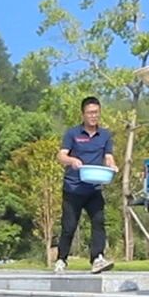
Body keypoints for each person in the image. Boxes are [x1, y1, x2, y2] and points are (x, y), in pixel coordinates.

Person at [56, 97, 118, 275]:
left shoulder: (105, 135)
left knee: (98, 222)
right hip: (73, 187)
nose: (93, 116)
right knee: (69, 226)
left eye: (96, 113)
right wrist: (72, 160)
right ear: (83, 114)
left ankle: (97, 257)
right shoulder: (72, 134)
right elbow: (61, 156)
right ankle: (61, 259)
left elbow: (108, 156)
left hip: (94, 187)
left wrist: (112, 165)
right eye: (90, 113)